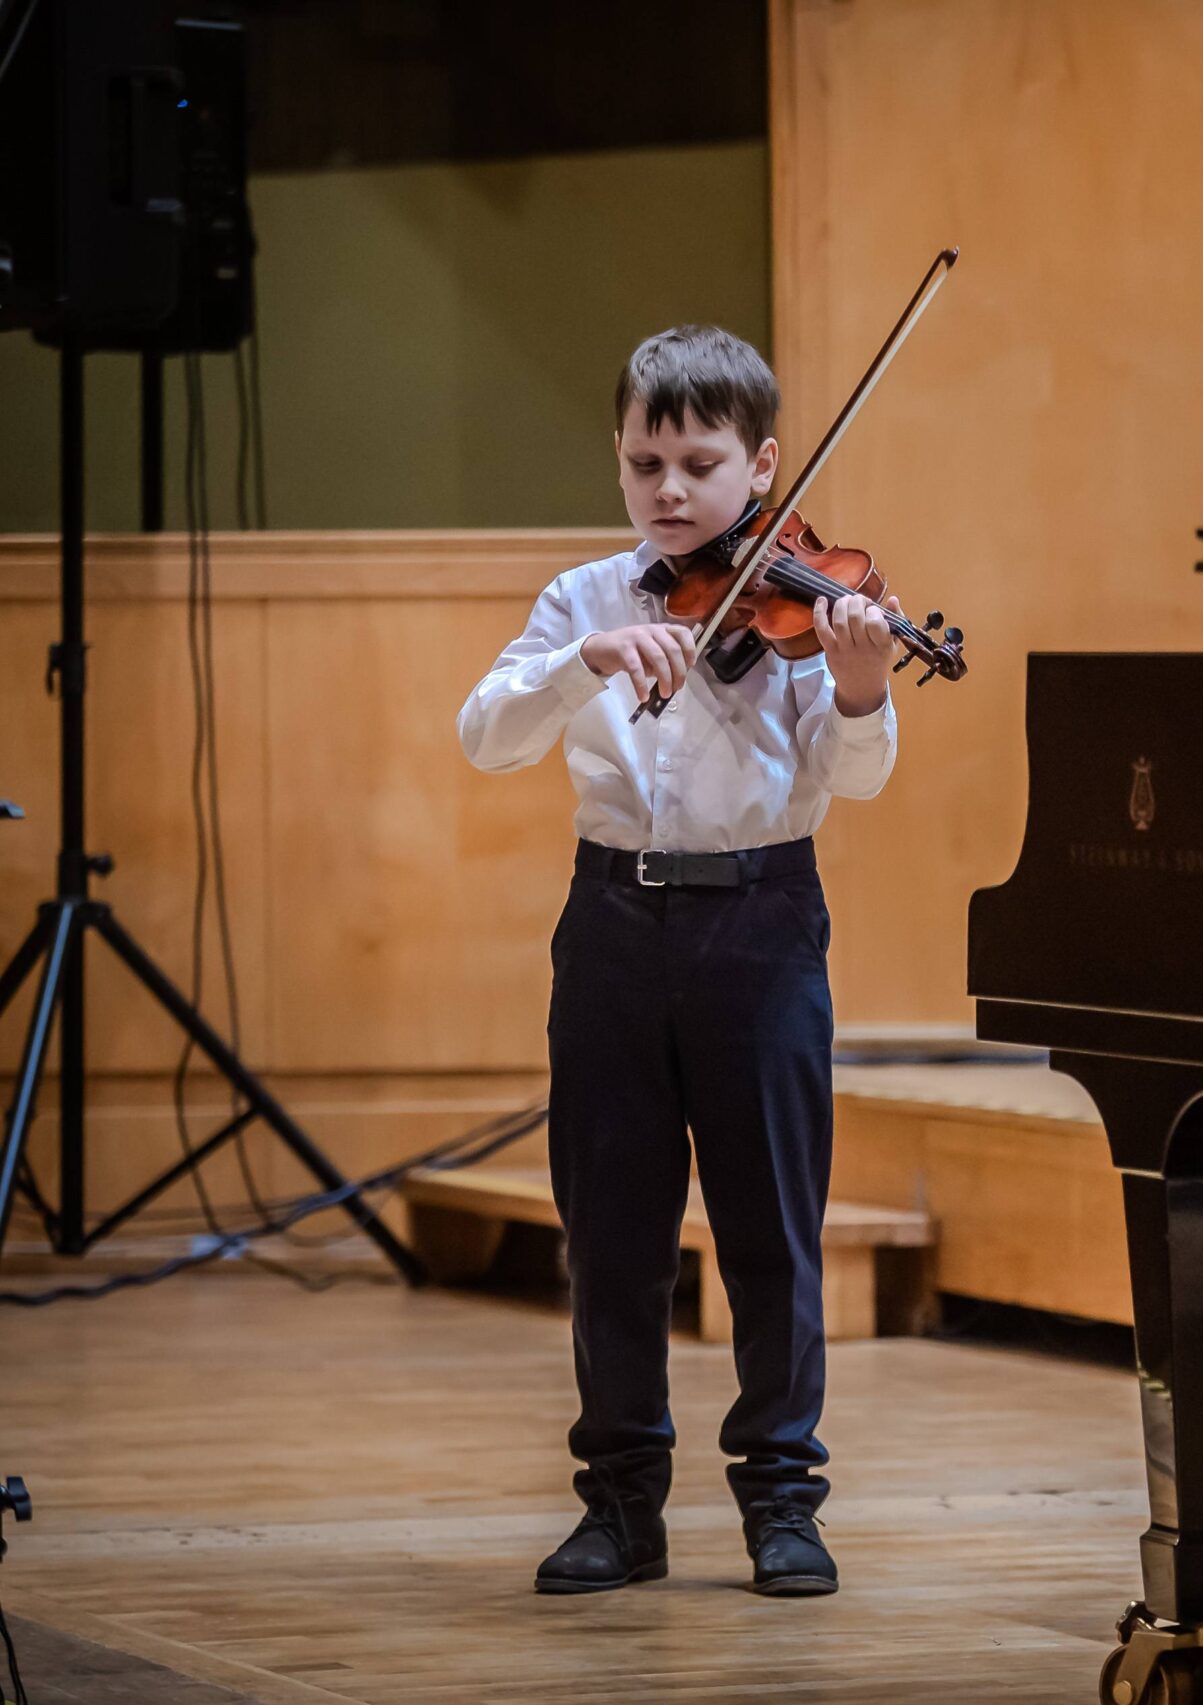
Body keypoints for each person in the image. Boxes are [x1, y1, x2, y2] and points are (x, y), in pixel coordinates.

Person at [456, 324, 904, 1598]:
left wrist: (863, 688)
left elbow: (855, 778)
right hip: (611, 923)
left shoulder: (807, 606)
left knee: (771, 1230)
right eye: (644, 463)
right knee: (612, 1232)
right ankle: (619, 1504)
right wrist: (581, 663)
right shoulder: (584, 599)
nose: (667, 490)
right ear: (618, 456)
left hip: (761, 923)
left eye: (699, 465)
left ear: (761, 466)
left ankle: (783, 1501)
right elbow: (485, 735)